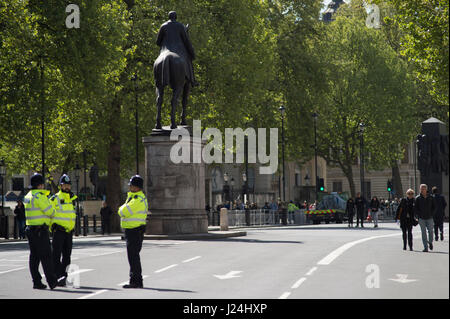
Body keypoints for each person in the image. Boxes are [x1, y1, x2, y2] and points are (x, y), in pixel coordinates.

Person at [23, 173, 57, 289]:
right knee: (47, 256)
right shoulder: (40, 196)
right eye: (43, 184)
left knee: (34, 257)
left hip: (30, 228)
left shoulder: (27, 196)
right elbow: (50, 212)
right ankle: (52, 281)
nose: (44, 186)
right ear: (40, 185)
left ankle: (36, 282)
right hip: (40, 230)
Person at [118, 175, 148, 288]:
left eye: (131, 185)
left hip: (134, 230)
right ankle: (134, 280)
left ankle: (136, 281)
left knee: (133, 257)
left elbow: (123, 211)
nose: (129, 187)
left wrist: (121, 208)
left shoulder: (137, 199)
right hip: (134, 230)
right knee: (133, 256)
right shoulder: (134, 197)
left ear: (137, 187)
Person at [156, 11, 198, 87]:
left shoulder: (163, 26)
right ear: (176, 17)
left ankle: (159, 97)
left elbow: (158, 42)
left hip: (164, 52)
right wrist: (192, 53)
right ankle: (193, 80)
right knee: (189, 62)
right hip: (178, 52)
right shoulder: (181, 26)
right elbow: (186, 41)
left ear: (169, 17)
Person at [49, 174, 77, 287]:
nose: (67, 187)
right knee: (55, 255)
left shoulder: (72, 199)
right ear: (60, 186)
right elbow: (49, 213)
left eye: (68, 185)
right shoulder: (55, 198)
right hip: (59, 231)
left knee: (67, 256)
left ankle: (64, 276)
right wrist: (53, 227)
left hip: (69, 232)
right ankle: (58, 275)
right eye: (64, 185)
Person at [415, 184, 436, 252]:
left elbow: (434, 207)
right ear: (420, 189)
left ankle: (430, 242)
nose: (422, 190)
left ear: (426, 189)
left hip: (430, 217)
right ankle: (425, 247)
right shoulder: (417, 198)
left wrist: (432, 214)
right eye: (421, 189)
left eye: (424, 189)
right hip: (421, 218)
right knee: (423, 233)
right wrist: (418, 216)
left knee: (430, 231)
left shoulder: (431, 197)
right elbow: (415, 208)